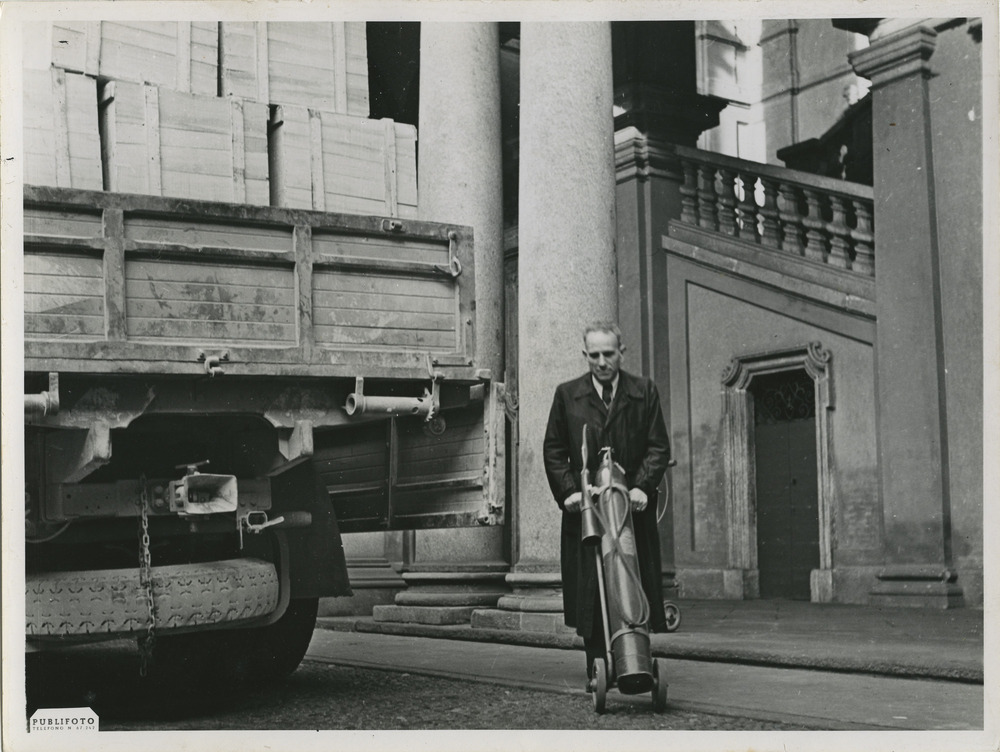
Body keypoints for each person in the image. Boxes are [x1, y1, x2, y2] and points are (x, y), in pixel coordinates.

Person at [542, 321, 671, 687]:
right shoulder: (567, 395)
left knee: (633, 583)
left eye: (608, 354)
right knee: (592, 590)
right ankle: (597, 666)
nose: (602, 362)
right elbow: (554, 450)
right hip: (588, 512)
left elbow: (658, 447)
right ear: (585, 355)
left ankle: (636, 662)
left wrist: (643, 486)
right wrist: (570, 491)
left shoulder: (643, 391)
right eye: (594, 355)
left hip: (632, 511)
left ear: (621, 352)